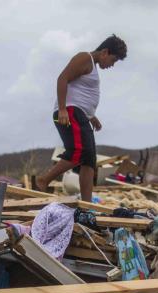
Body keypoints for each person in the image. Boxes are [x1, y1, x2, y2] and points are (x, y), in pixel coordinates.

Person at [35, 34, 127, 207]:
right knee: (79, 151)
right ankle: (43, 180)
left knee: (89, 161)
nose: (112, 65)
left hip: (81, 114)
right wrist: (62, 108)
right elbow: (63, 78)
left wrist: (92, 116)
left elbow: (81, 93)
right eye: (113, 60)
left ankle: (87, 205)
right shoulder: (84, 58)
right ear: (105, 52)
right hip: (70, 111)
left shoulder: (92, 66)